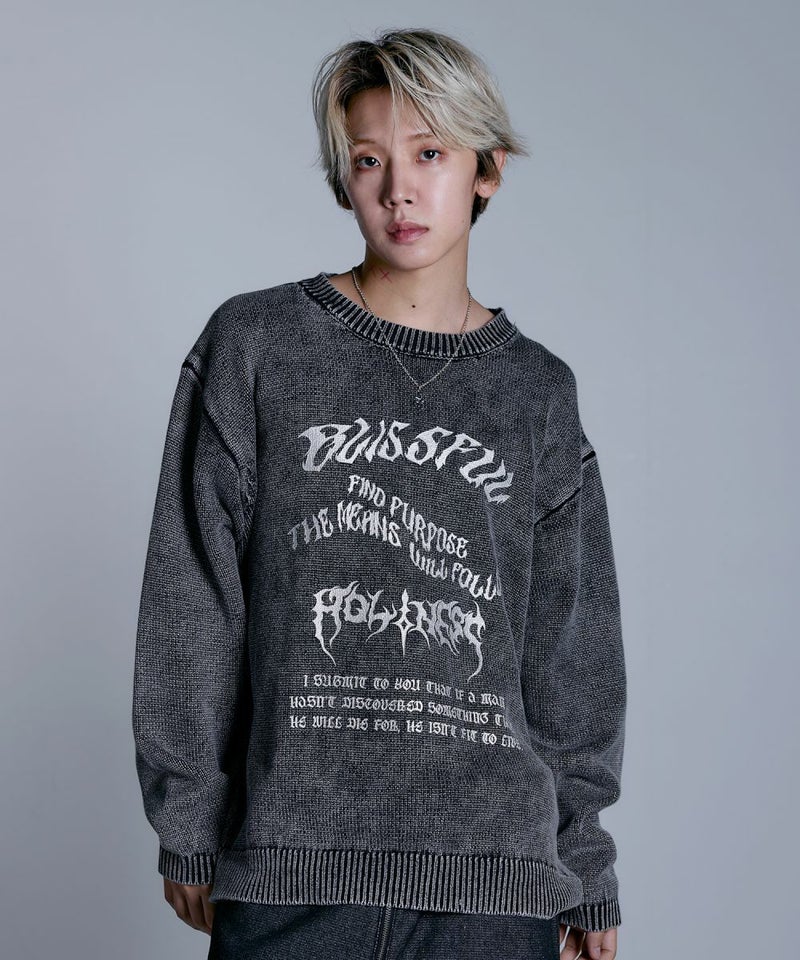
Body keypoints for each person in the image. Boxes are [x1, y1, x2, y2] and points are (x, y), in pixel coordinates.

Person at [132, 26, 627, 960]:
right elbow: (192, 592)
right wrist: (188, 812)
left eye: (430, 153)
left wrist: (585, 865)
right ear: (345, 178)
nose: (399, 188)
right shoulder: (257, 347)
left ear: (489, 170)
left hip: (493, 889)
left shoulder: (537, 393)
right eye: (369, 159)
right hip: (293, 872)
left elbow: (571, 650)